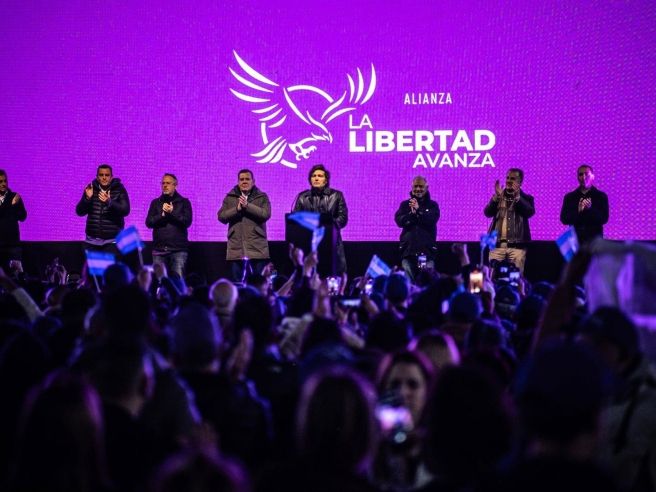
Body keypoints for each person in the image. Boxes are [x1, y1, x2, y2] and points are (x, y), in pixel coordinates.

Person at [292, 164, 348, 274]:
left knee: (332, 274)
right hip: (308, 242)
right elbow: (296, 219)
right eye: (313, 176)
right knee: (310, 275)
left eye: (320, 176)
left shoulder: (336, 195)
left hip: (331, 242)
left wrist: (327, 225)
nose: (316, 178)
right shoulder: (302, 197)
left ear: (326, 180)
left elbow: (343, 218)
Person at [218, 169, 271, 283]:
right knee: (236, 283)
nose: (244, 181)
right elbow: (221, 217)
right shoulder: (230, 197)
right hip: (236, 248)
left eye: (247, 179)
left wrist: (247, 206)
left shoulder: (262, 197)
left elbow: (266, 214)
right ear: (238, 182)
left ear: (253, 181)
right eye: (241, 179)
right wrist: (236, 209)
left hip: (257, 248)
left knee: (259, 283)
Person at [484, 168, 535, 274]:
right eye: (507, 178)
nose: (509, 181)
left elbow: (529, 212)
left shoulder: (527, 198)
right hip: (497, 246)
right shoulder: (498, 196)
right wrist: (496, 198)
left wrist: (518, 198)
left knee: (515, 278)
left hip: (517, 248)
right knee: (493, 278)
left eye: (512, 178)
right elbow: (487, 213)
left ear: (520, 182)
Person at [146, 173, 192, 278]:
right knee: (159, 281)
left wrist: (173, 213)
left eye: (168, 183)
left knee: (178, 281)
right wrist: (162, 215)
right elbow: (148, 222)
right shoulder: (156, 203)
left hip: (178, 250)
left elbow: (187, 222)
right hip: (159, 250)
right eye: (163, 183)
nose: (165, 185)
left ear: (175, 185)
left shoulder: (184, 202)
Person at [75, 164, 130, 254]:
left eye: (107, 175)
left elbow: (125, 210)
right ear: (97, 177)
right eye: (101, 175)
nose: (104, 178)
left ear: (111, 177)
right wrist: (87, 198)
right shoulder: (90, 189)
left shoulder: (119, 189)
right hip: (91, 241)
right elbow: (79, 212)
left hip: (112, 241)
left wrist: (109, 202)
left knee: (111, 264)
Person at [394, 176, 440, 281]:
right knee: (408, 283)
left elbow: (431, 220)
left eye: (421, 186)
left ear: (426, 187)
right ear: (412, 187)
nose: (418, 189)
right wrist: (411, 214)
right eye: (415, 186)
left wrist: (419, 211)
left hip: (425, 253)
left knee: (425, 282)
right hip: (408, 252)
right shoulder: (405, 205)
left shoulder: (432, 205)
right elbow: (399, 221)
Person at [560, 164, 609, 245]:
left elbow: (604, 219)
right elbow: (564, 219)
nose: (584, 177)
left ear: (593, 176)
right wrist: (578, 211)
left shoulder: (601, 196)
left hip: (595, 242)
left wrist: (590, 209)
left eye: (587, 174)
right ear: (577, 177)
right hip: (575, 242)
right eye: (580, 174)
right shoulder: (569, 197)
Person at [0, 170, 27, 270]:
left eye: (5, 181)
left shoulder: (14, 197)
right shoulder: (12, 201)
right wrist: (11, 205)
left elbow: (23, 217)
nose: (3, 184)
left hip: (13, 244)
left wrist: (15, 205)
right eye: (0, 181)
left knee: (17, 273)